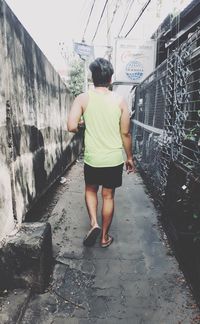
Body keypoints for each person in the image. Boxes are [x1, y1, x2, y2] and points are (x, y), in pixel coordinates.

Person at [67, 57, 136, 248]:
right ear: (111, 78)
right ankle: (105, 238)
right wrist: (129, 157)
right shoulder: (120, 101)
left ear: (92, 77)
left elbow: (71, 126)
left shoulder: (82, 98)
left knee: (90, 190)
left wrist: (83, 123)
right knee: (108, 196)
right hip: (113, 158)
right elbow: (125, 132)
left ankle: (94, 224)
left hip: (93, 158)